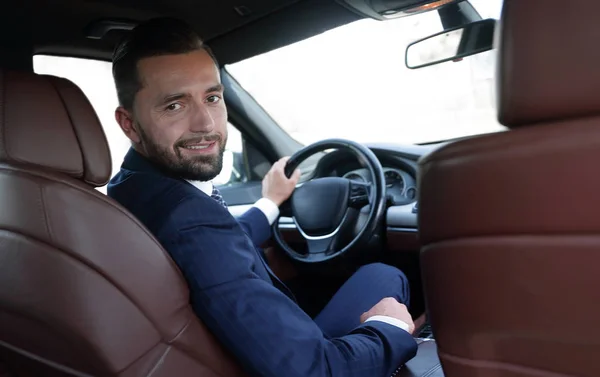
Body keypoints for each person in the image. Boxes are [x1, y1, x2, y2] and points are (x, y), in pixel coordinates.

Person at [107, 17, 418, 377]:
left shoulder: (132, 186)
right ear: (128, 123)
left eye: (212, 97)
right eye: (174, 105)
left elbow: (221, 240)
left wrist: (269, 204)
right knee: (386, 277)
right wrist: (389, 329)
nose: (206, 124)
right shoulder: (190, 221)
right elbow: (312, 371)